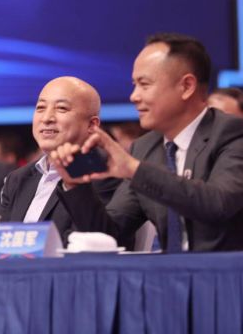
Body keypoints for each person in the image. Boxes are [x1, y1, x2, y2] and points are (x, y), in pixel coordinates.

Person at [51, 33, 243, 252]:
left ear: (187, 86)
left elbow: (218, 204)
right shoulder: (145, 148)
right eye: (134, 85)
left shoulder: (233, 133)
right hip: (171, 273)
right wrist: (75, 185)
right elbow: (111, 235)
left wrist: (134, 169)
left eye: (144, 84)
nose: (134, 96)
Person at [0, 77, 119, 245]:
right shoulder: (17, 179)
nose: (46, 118)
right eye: (40, 108)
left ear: (92, 125)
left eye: (61, 108)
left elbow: (99, 242)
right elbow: (0, 242)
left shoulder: (104, 173)